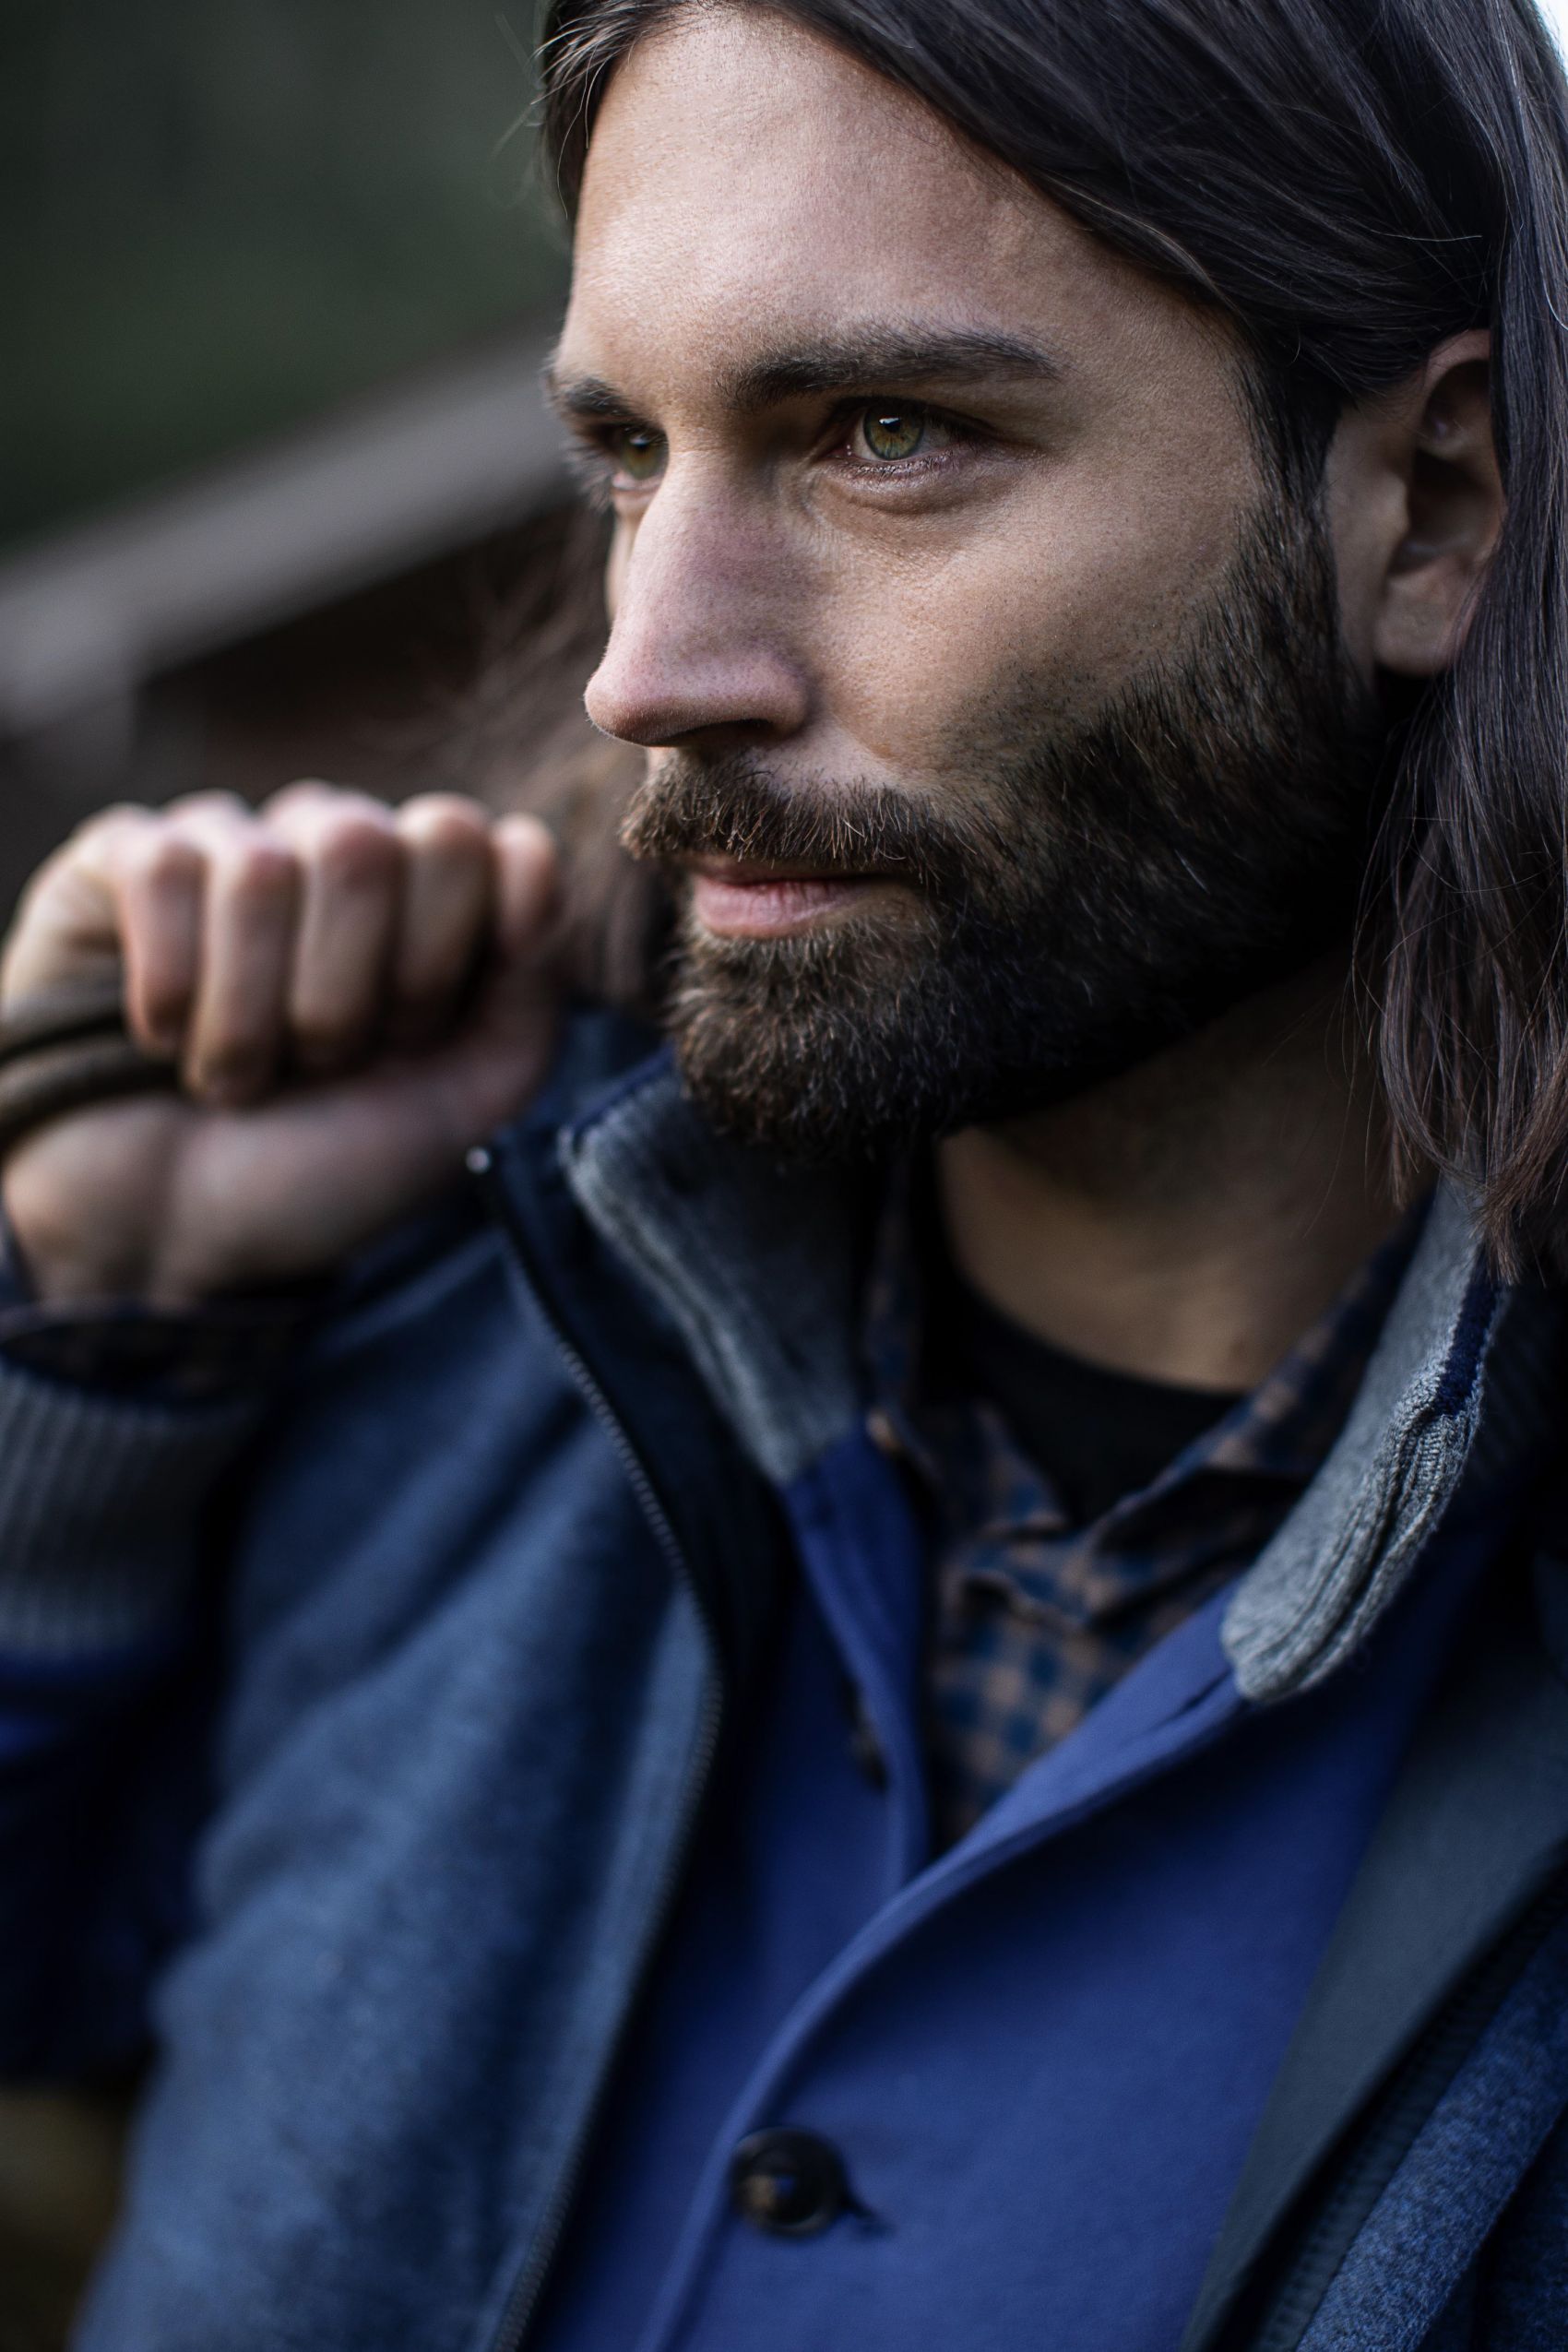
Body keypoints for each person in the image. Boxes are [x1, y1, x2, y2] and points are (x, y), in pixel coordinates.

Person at [3, 0, 1568, 2345]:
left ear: (1426, 504)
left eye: (887, 436)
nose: (649, 669)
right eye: (628, 455)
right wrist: (100, 1359)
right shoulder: (436, 1303)